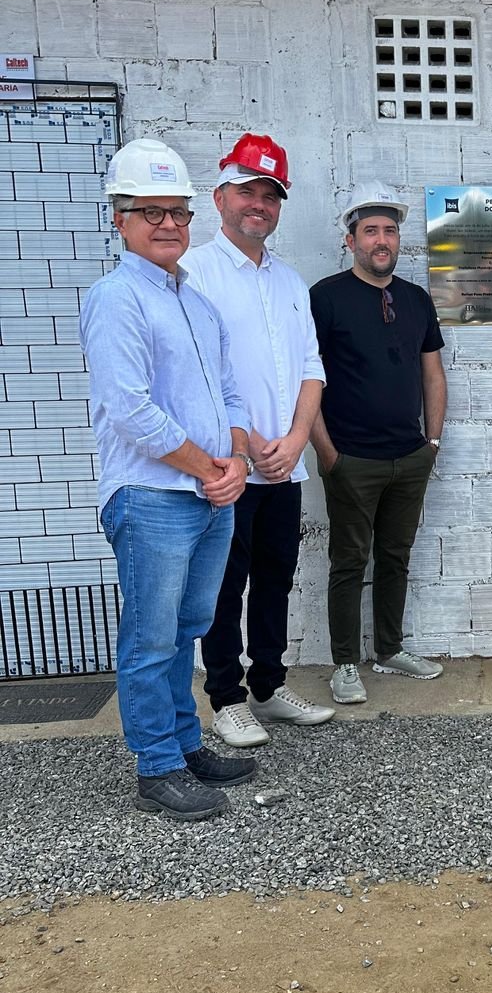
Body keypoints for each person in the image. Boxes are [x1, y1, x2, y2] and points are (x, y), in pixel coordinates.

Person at [80, 139, 256, 820]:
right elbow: (130, 410)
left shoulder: (196, 302)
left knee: (186, 628)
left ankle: (184, 745)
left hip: (211, 494)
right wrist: (212, 469)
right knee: (151, 639)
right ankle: (156, 766)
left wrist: (236, 460)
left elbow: (231, 395)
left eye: (177, 211)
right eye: (149, 211)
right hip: (153, 497)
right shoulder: (116, 298)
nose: (167, 224)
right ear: (119, 218)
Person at [182, 133, 333, 749]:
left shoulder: (289, 282)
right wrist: (247, 445)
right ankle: (226, 697)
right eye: (247, 191)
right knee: (224, 585)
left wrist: (296, 439)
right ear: (220, 196)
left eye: (271, 196)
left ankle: (269, 686)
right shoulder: (193, 273)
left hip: (284, 466)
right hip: (227, 466)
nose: (259, 204)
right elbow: (197, 375)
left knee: (276, 578)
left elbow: (311, 368)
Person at [309, 182, 448, 704]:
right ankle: (345, 663)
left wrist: (431, 442)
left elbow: (432, 374)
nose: (381, 240)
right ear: (351, 241)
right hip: (352, 458)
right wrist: (328, 453)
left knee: (396, 556)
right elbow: (306, 379)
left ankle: (389, 649)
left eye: (389, 230)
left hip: (409, 456)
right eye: (370, 231)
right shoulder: (326, 298)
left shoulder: (416, 300)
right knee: (349, 562)